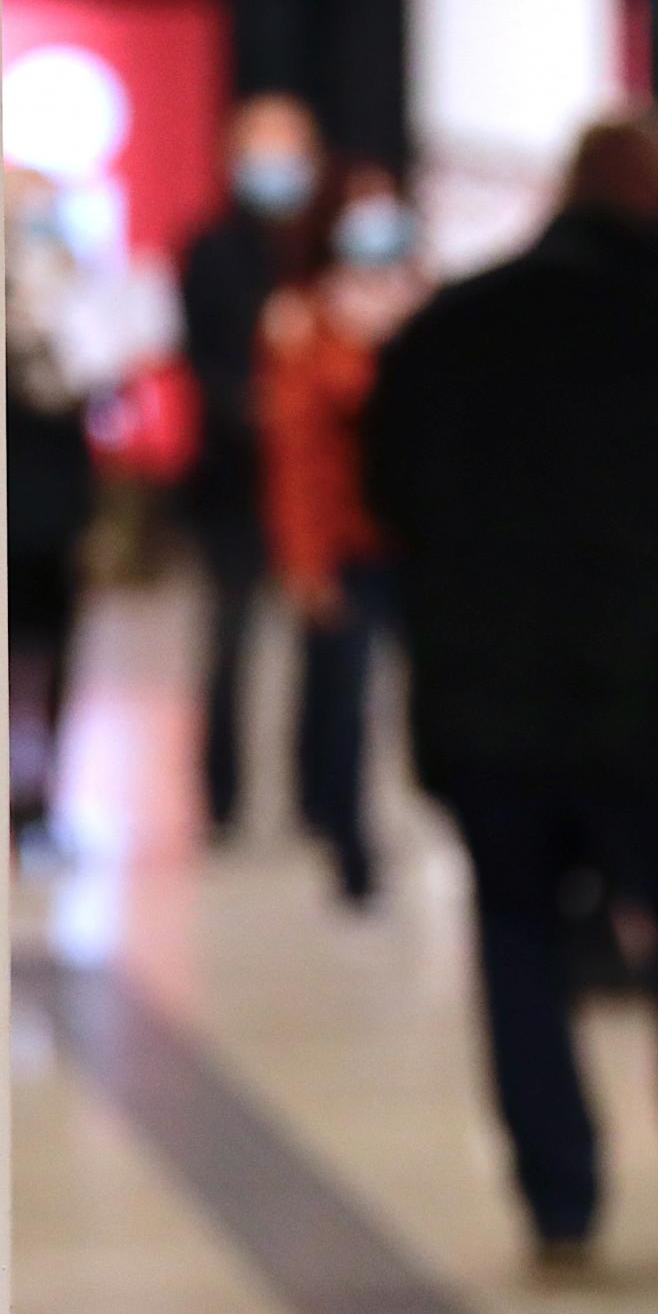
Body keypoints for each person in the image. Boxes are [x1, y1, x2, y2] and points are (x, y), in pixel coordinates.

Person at [365, 109, 658, 1275]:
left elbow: (394, 508)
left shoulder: (448, 332)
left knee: (519, 947)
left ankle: (560, 1209)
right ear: (654, 196)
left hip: (495, 718)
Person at [257, 161, 425, 906]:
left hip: (415, 543)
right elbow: (294, 452)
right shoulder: (306, 321)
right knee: (345, 704)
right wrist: (304, 559)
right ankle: (349, 843)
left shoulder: (425, 311)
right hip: (346, 544)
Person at [180, 94, 325, 842]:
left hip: (318, 482)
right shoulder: (210, 248)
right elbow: (201, 356)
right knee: (230, 643)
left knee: (326, 652)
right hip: (234, 481)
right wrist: (251, 407)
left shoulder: (323, 248)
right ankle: (224, 800)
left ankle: (318, 798)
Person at [6, 169, 98, 849]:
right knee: (1, 662)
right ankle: (0, 797)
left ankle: (42, 801)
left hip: (60, 510)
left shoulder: (80, 296)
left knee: (57, 656)